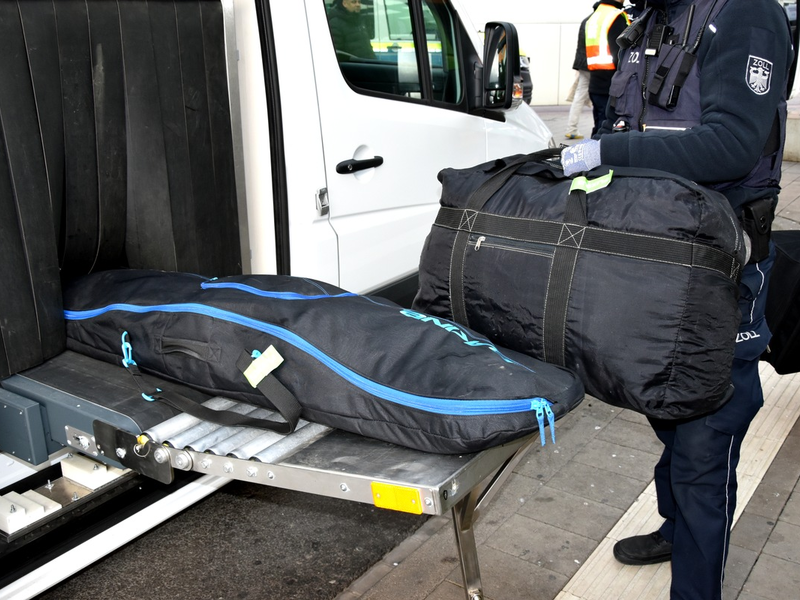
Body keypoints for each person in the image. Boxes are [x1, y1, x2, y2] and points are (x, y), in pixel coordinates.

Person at [560, 1, 793, 599]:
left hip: (722, 270)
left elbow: (732, 145)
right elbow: (627, 124)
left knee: (705, 439)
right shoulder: (647, 19)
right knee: (667, 409)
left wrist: (609, 155)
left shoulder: (744, 13)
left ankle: (696, 585)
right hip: (656, 260)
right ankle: (675, 528)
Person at [585, 1, 630, 135]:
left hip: (596, 80)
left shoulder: (595, 16)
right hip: (612, 81)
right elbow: (621, 50)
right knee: (607, 128)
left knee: (598, 123)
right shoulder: (615, 16)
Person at [566, 12, 592, 140]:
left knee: (579, 96)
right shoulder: (603, 19)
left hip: (583, 63)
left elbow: (580, 44)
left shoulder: (586, 20)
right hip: (597, 65)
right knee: (601, 97)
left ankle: (571, 129)